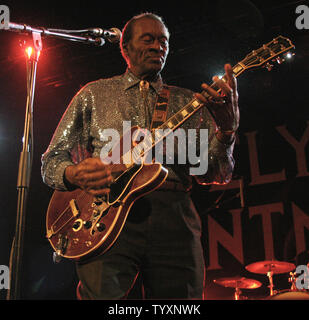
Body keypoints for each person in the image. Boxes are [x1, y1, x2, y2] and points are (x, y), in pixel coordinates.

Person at [41, 12, 239, 300]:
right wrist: (73, 173)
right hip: (106, 215)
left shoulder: (190, 102)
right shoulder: (94, 95)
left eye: (164, 41)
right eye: (148, 39)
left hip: (175, 217)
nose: (158, 47)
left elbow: (217, 174)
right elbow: (51, 161)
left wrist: (227, 130)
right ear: (125, 48)